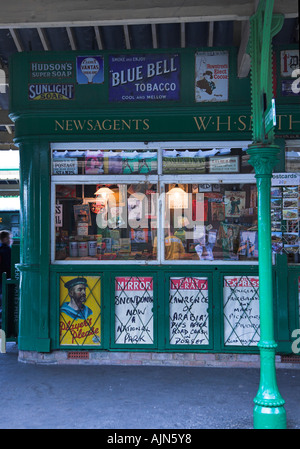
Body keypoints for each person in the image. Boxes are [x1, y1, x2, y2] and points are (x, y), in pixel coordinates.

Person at [0, 230, 12, 323]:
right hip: (5, 278)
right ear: (4, 239)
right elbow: (8, 265)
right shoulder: (7, 250)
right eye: (9, 238)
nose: (10, 240)